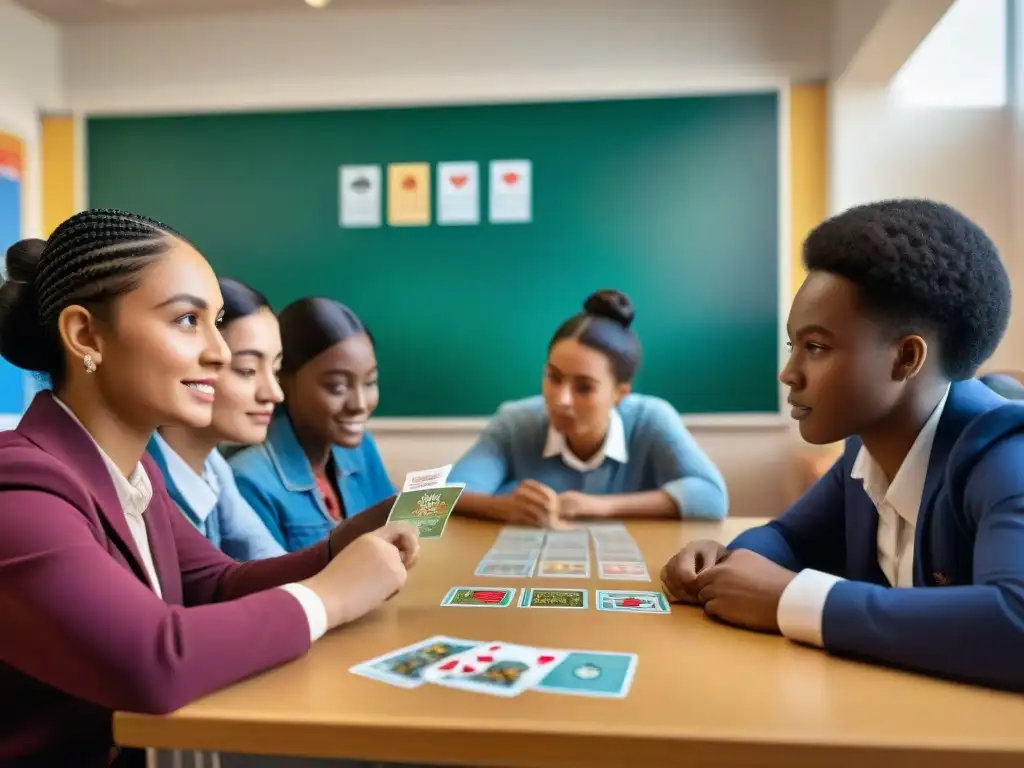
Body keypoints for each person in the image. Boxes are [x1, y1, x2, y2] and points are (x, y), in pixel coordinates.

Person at [0, 210, 419, 767]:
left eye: (216, 321)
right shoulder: (21, 486)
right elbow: (153, 659)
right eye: (186, 320)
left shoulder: (132, 472)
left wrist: (341, 550)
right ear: (85, 335)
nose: (220, 352)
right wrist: (332, 594)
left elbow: (219, 584)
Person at [660, 199, 1024, 693]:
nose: (788, 374)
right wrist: (726, 562)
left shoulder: (1006, 456)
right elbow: (790, 538)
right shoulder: (867, 452)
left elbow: (1014, 622)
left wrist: (794, 600)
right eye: (794, 347)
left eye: (816, 347)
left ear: (905, 358)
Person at [450, 289, 728, 527]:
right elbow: (440, 498)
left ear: (620, 393)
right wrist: (502, 507)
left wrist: (599, 506)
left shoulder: (651, 419)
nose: (561, 400)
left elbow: (712, 498)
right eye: (553, 377)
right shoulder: (515, 421)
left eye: (584, 387)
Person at [230, 297, 395, 552]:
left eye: (370, 382)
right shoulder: (248, 480)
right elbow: (270, 585)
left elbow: (395, 530)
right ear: (282, 380)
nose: (360, 404)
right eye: (336, 387)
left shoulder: (362, 449)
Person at [148, 277, 286, 560]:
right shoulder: (144, 486)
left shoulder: (212, 467)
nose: (275, 394)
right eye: (247, 370)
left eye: (277, 369)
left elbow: (268, 561)